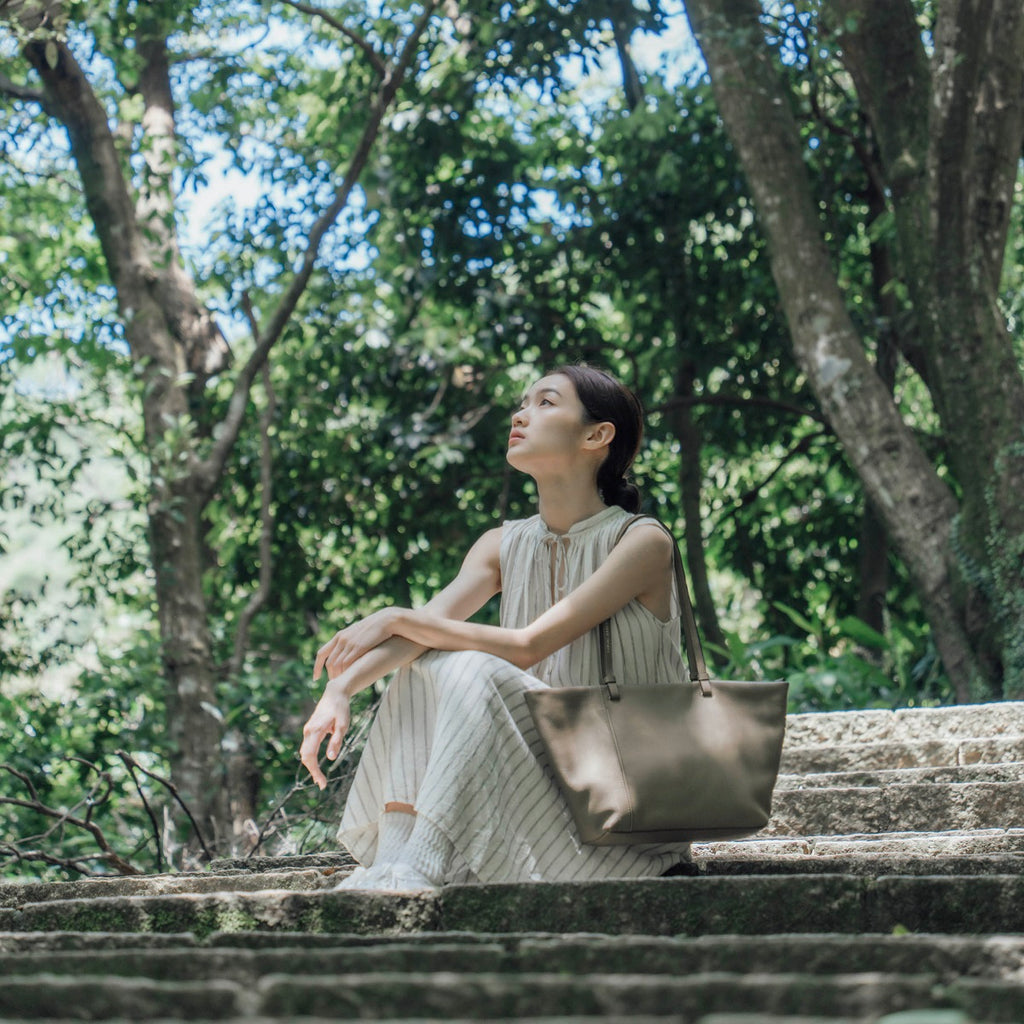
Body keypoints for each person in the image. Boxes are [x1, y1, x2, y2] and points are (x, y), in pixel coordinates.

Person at [299, 364, 690, 890]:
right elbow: (421, 635)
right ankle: (394, 863)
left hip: (627, 807)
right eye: (523, 403)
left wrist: (392, 615)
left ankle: (424, 866)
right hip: (539, 795)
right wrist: (341, 687)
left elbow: (528, 647)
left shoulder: (642, 542)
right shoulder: (501, 545)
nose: (521, 414)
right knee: (425, 661)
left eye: (546, 402)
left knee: (465, 663)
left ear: (597, 435)